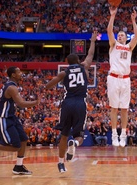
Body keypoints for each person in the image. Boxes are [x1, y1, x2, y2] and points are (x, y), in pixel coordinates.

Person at [45, 31, 97, 173]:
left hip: (67, 103)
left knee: (64, 134)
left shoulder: (64, 72)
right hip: (80, 103)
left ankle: (61, 164)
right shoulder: (84, 67)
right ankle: (74, 143)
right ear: (78, 61)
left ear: (67, 63)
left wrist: (45, 87)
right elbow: (91, 55)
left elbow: (50, 84)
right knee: (79, 135)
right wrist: (92, 41)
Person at [0, 66, 40, 175]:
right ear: (13, 75)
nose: (21, 73)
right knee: (15, 146)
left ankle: (19, 166)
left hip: (11, 117)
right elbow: (21, 103)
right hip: (4, 118)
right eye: (18, 72)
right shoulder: (11, 88)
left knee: (24, 139)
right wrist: (35, 102)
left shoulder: (12, 86)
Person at [107, 6, 137, 147]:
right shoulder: (113, 45)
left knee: (124, 109)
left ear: (126, 38)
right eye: (118, 34)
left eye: (122, 35)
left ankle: (123, 134)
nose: (120, 36)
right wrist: (112, 16)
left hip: (125, 79)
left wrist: (133, 21)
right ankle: (114, 134)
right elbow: (109, 31)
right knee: (114, 108)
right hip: (113, 78)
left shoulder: (129, 47)